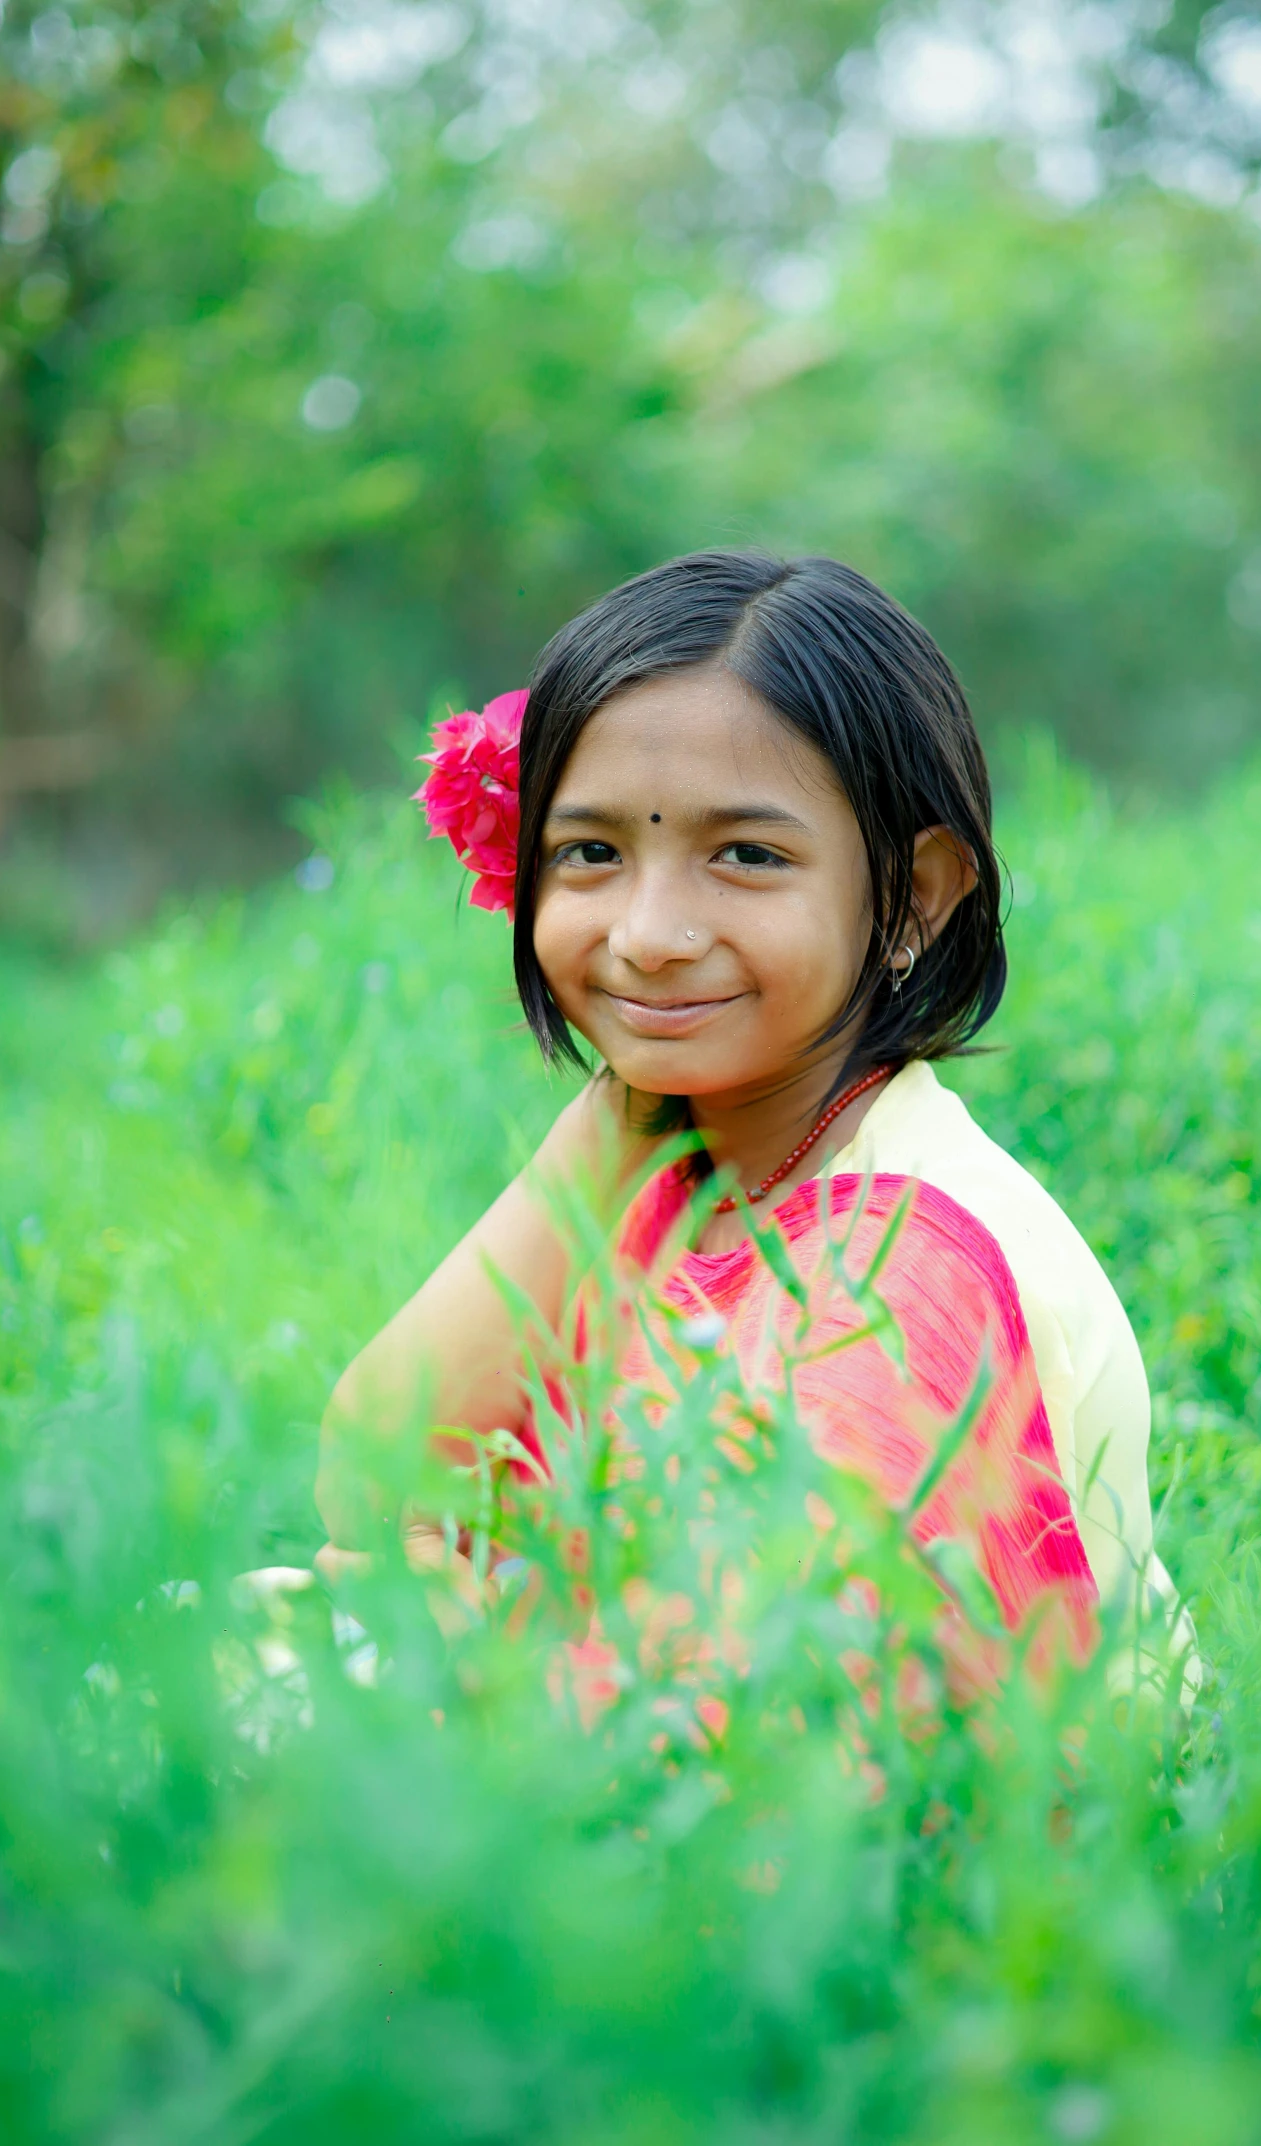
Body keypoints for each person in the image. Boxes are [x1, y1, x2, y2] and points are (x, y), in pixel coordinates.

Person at [316, 550, 1190, 1691]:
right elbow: (378, 1476)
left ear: (915, 895)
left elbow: (770, 1727)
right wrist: (619, 1106)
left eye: (745, 855)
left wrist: (446, 1623)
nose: (649, 933)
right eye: (593, 852)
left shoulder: (906, 1269)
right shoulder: (679, 1144)